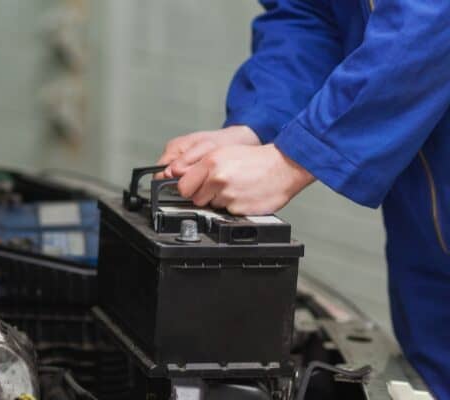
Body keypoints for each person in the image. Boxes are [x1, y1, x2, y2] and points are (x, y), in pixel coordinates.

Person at [156, 0, 450, 397]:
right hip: (428, 225)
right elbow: (310, 12)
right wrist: (257, 124)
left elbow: (431, 19)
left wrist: (289, 162)